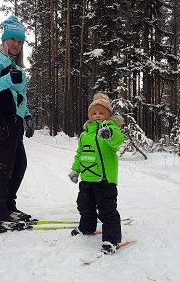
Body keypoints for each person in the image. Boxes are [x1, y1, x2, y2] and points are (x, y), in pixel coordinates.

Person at [0, 16, 34, 232]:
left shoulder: (16, 66)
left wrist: (28, 116)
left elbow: (20, 94)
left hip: (15, 120)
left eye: (20, 41)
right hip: (3, 117)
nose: (16, 44)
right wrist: (6, 80)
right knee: (4, 167)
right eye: (12, 39)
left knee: (19, 165)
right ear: (5, 39)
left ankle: (8, 206)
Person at [68, 92, 124, 254]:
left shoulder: (111, 129)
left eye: (101, 113)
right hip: (87, 178)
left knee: (107, 209)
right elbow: (80, 154)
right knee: (85, 205)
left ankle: (111, 240)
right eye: (94, 113)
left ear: (107, 115)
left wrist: (109, 135)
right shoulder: (85, 134)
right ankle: (86, 228)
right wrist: (75, 170)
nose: (97, 115)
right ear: (89, 116)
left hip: (105, 179)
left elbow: (117, 141)